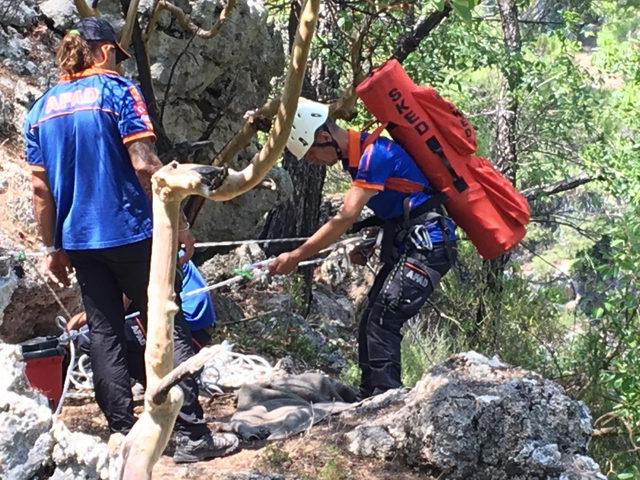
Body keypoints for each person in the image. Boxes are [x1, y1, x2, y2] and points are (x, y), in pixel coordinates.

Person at [24, 17, 237, 462]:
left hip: (80, 240)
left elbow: (41, 190)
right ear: (103, 52)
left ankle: (123, 432)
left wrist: (53, 248)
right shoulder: (117, 92)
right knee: (164, 320)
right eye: (116, 58)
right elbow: (144, 164)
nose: (119, 65)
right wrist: (178, 224)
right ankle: (191, 435)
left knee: (104, 332)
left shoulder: (41, 108)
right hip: (132, 229)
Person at [269, 98, 457, 398]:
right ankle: (372, 395)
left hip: (429, 245)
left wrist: (296, 256)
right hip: (415, 243)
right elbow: (397, 206)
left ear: (324, 137)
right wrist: (372, 243)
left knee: (384, 318)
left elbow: (344, 216)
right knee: (372, 316)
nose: (310, 161)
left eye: (310, 153)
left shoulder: (375, 155)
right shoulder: (356, 159)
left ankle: (386, 398)